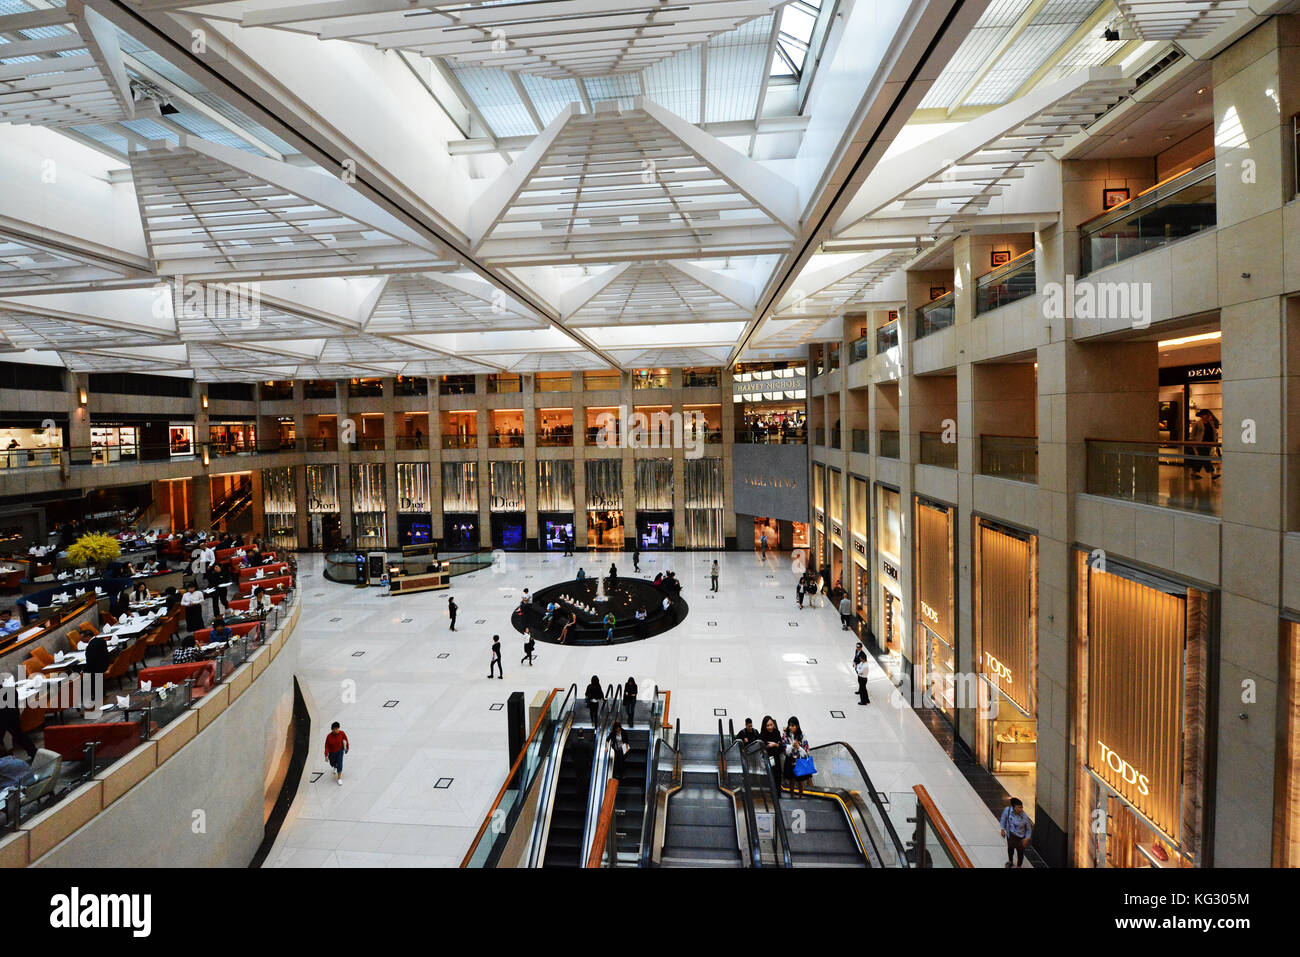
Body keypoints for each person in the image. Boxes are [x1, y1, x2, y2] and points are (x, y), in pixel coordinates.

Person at [783, 716, 813, 796]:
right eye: (789, 725)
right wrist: (792, 745)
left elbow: (806, 752)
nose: (790, 727)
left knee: (800, 780)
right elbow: (785, 751)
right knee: (791, 780)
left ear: (797, 726)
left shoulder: (802, 735)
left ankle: (800, 796)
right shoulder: (786, 735)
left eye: (793, 726)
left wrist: (798, 747)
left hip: (800, 761)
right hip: (790, 760)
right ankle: (792, 795)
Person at [1000, 797, 1033, 868]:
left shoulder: (1024, 817)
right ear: (1013, 807)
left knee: (1020, 852)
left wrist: (1027, 839)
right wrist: (1002, 829)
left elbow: (1028, 829)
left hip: (1020, 838)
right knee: (1010, 849)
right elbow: (1003, 819)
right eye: (1018, 807)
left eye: (1021, 807)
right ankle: (1010, 861)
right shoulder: (1007, 810)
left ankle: (1019, 866)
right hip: (1011, 835)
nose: (1021, 809)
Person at [759, 715, 783, 784]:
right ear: (764, 726)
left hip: (776, 760)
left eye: (771, 725)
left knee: (777, 780)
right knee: (769, 781)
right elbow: (759, 749)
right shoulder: (762, 735)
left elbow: (781, 747)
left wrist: (775, 744)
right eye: (767, 725)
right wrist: (767, 747)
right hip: (767, 761)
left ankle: (778, 794)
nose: (770, 727)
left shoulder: (776, 732)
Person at [325, 721, 349, 786]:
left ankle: (339, 778)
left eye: (336, 729)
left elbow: (346, 741)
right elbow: (326, 746)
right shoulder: (329, 736)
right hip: (332, 752)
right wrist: (326, 755)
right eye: (334, 729)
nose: (335, 730)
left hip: (340, 751)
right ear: (332, 729)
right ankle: (335, 766)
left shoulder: (342, 733)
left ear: (338, 728)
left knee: (340, 762)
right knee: (332, 763)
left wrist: (347, 748)